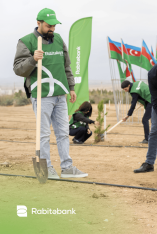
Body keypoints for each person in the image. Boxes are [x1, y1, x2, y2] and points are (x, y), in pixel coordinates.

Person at [13, 8, 88, 179]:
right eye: (48, 26)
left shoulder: (59, 39)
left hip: (60, 94)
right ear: (38, 23)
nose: (52, 29)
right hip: (41, 94)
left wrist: (71, 87)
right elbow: (18, 69)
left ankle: (67, 168)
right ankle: (46, 169)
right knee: (44, 134)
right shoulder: (26, 42)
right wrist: (33, 59)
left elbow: (66, 65)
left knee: (62, 132)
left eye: (54, 25)